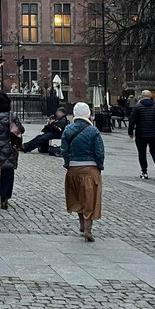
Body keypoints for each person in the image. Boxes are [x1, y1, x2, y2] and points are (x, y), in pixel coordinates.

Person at [61, 102, 105, 242]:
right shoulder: (93, 131)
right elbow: (99, 151)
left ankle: (81, 224)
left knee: (78, 197)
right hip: (90, 169)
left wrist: (68, 164)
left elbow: (64, 150)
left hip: (73, 169)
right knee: (90, 199)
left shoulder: (68, 129)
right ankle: (88, 228)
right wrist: (99, 166)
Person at [0, 92, 25, 210]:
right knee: (7, 172)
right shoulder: (11, 116)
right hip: (8, 146)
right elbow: (21, 130)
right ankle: (5, 197)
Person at [128, 89, 155, 180]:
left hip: (141, 134)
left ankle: (144, 172)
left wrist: (130, 132)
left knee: (142, 153)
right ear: (150, 96)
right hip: (154, 133)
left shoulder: (137, 107)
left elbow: (132, 120)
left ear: (142, 96)